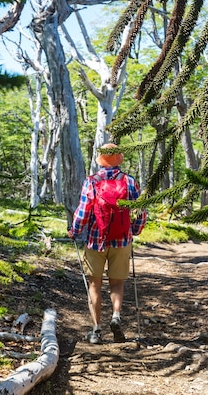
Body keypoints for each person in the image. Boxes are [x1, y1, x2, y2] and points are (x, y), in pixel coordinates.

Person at [68, 143, 147, 344]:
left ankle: (96, 330)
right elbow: (140, 212)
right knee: (117, 282)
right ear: (119, 158)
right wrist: (134, 231)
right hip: (122, 241)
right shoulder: (130, 182)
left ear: (100, 160)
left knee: (94, 283)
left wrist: (74, 231)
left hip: (95, 241)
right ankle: (116, 316)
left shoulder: (92, 181)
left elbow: (83, 211)